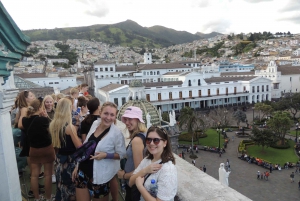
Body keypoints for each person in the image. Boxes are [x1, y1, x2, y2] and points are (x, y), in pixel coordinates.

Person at [73, 102, 126, 201]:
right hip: (83, 171)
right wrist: (77, 166)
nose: (108, 117)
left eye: (112, 115)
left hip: (100, 176)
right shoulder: (95, 124)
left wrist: (106, 155)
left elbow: (122, 154)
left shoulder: (116, 133)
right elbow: (86, 146)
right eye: (106, 113)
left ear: (115, 116)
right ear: (100, 113)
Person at [129, 126, 177, 201]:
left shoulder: (168, 169)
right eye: (148, 140)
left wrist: (140, 186)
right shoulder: (147, 160)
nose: (151, 143)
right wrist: (145, 171)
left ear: (165, 143)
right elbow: (131, 182)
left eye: (156, 140)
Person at [50, 98, 82, 201]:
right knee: (71, 191)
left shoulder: (53, 125)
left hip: (59, 161)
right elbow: (79, 146)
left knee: (61, 188)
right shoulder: (69, 127)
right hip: (70, 162)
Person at [22, 99, 55, 201]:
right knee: (48, 174)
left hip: (33, 149)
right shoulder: (43, 119)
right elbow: (50, 132)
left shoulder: (24, 120)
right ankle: (48, 198)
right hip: (46, 148)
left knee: (34, 175)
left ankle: (37, 198)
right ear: (40, 107)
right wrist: (46, 118)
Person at [117, 106, 147, 201]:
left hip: (134, 186)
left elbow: (139, 170)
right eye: (125, 119)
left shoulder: (137, 140)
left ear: (138, 120)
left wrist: (124, 175)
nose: (127, 122)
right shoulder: (143, 135)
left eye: (130, 119)